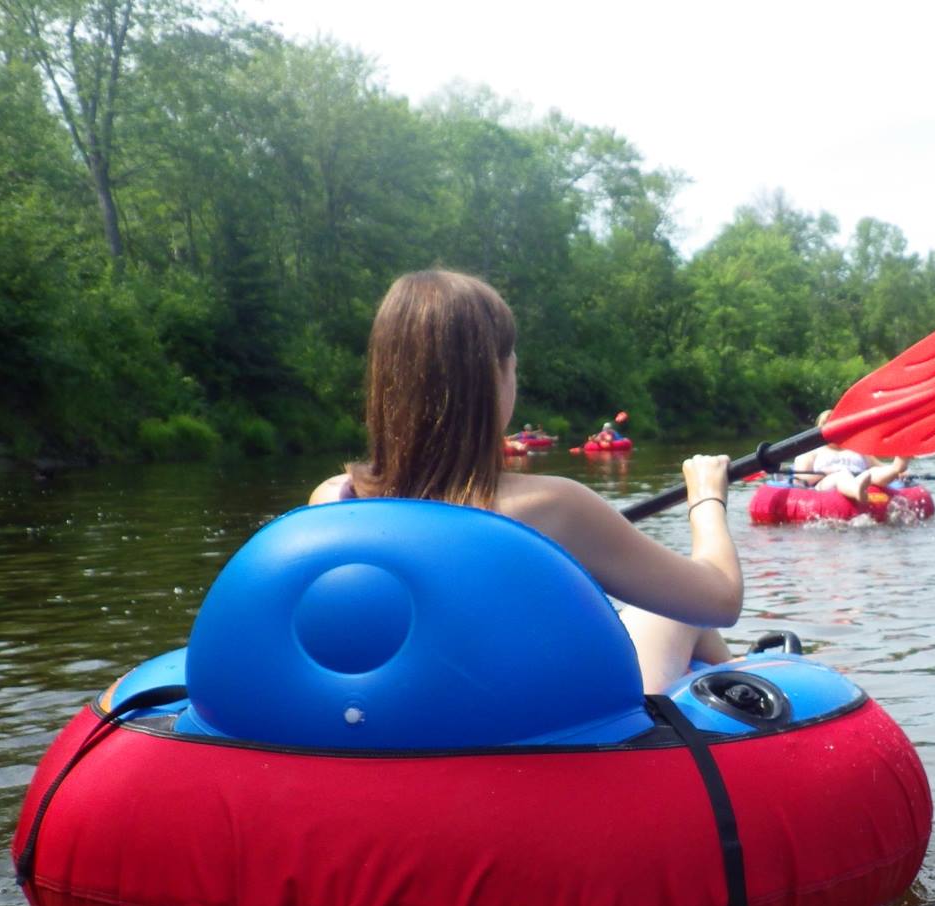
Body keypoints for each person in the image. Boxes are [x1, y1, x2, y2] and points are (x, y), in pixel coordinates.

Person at [308, 270, 740, 691]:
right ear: (494, 377)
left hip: (398, 731)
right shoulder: (554, 508)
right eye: (511, 362)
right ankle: (746, 709)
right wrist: (706, 498)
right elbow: (720, 599)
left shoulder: (330, 501)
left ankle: (731, 684)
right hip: (528, 740)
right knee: (677, 613)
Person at [789, 408, 909, 502]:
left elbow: (879, 467)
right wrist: (828, 472)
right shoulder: (811, 452)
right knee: (842, 475)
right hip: (826, 485)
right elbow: (800, 480)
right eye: (828, 426)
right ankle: (856, 491)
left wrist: (898, 473)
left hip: (860, 480)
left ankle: (897, 467)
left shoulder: (858, 450)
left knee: (871, 473)